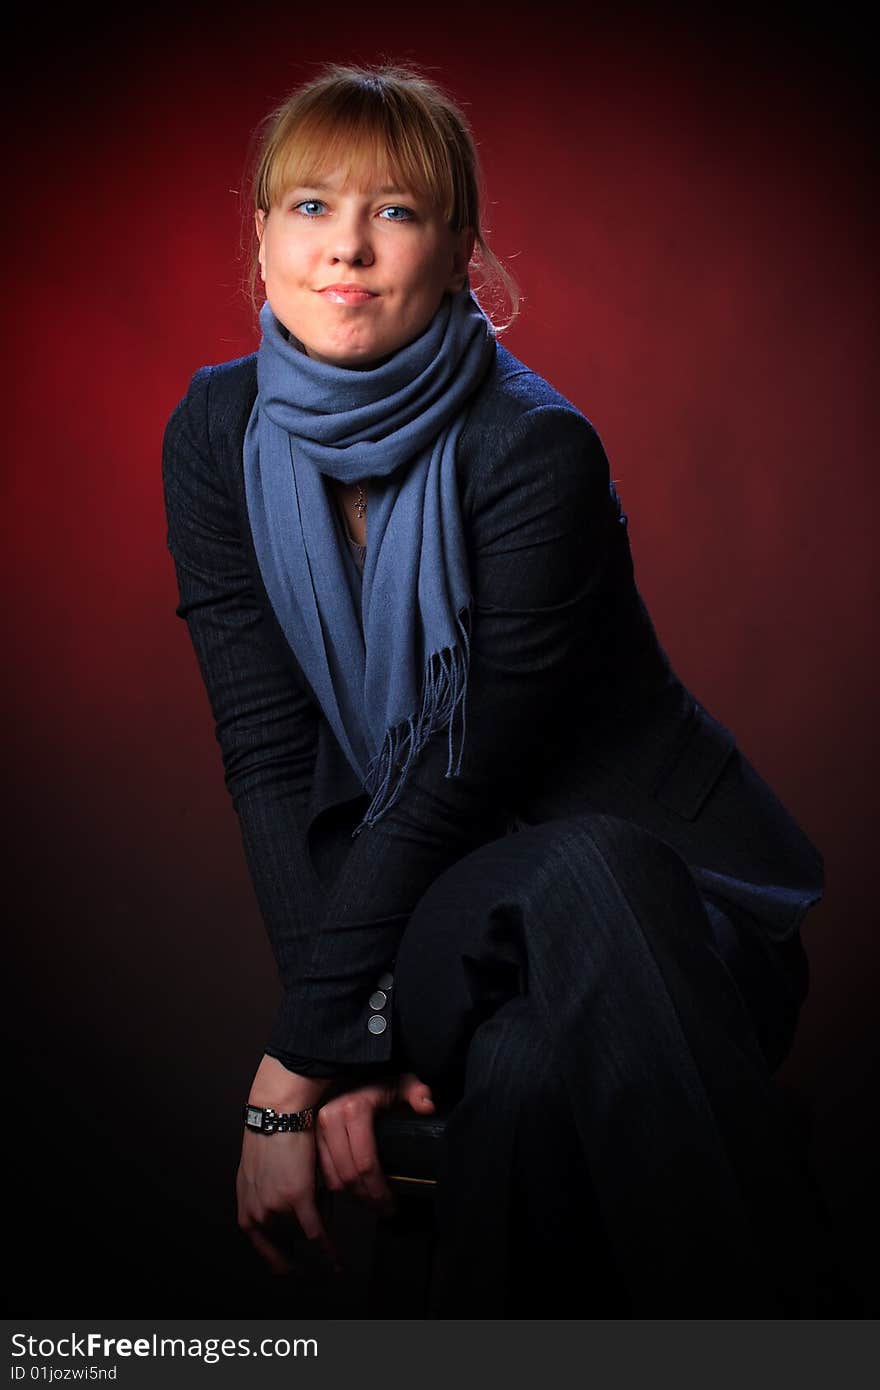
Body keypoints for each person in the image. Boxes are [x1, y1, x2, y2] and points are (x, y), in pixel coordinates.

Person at [162, 62, 825, 1315]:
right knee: (566, 909)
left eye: (396, 212)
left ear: (459, 245)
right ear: (259, 236)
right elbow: (262, 752)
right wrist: (340, 1044)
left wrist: (285, 1070)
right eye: (309, 207)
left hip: (679, 925)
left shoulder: (533, 450)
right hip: (432, 930)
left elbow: (452, 778)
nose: (346, 249)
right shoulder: (215, 434)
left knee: (534, 1052)